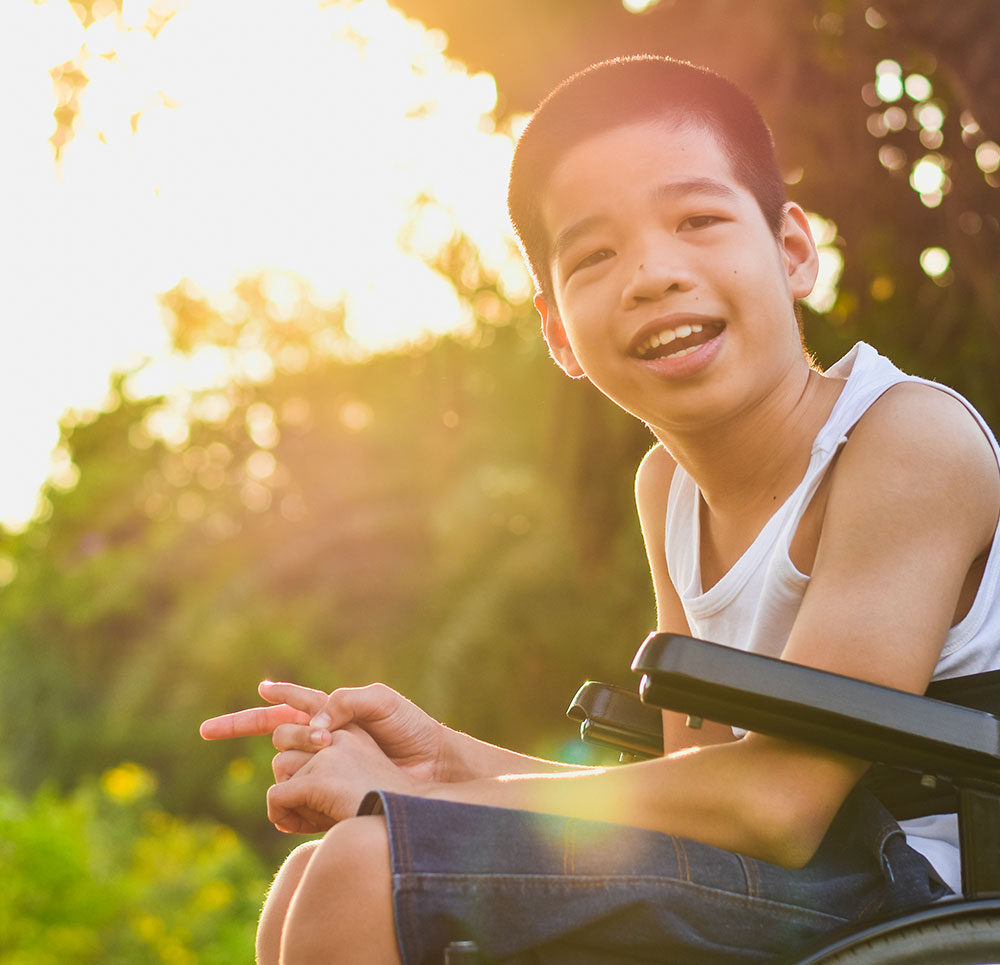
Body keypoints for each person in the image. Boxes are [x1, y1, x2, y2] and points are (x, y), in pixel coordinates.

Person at [200, 56, 1000, 963]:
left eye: (698, 219)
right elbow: (694, 797)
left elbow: (779, 803)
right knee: (312, 878)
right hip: (813, 885)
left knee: (363, 865)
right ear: (557, 333)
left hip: (934, 895)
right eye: (595, 255)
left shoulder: (906, 441)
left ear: (792, 250)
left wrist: (414, 806)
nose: (654, 274)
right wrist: (447, 758)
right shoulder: (669, 489)